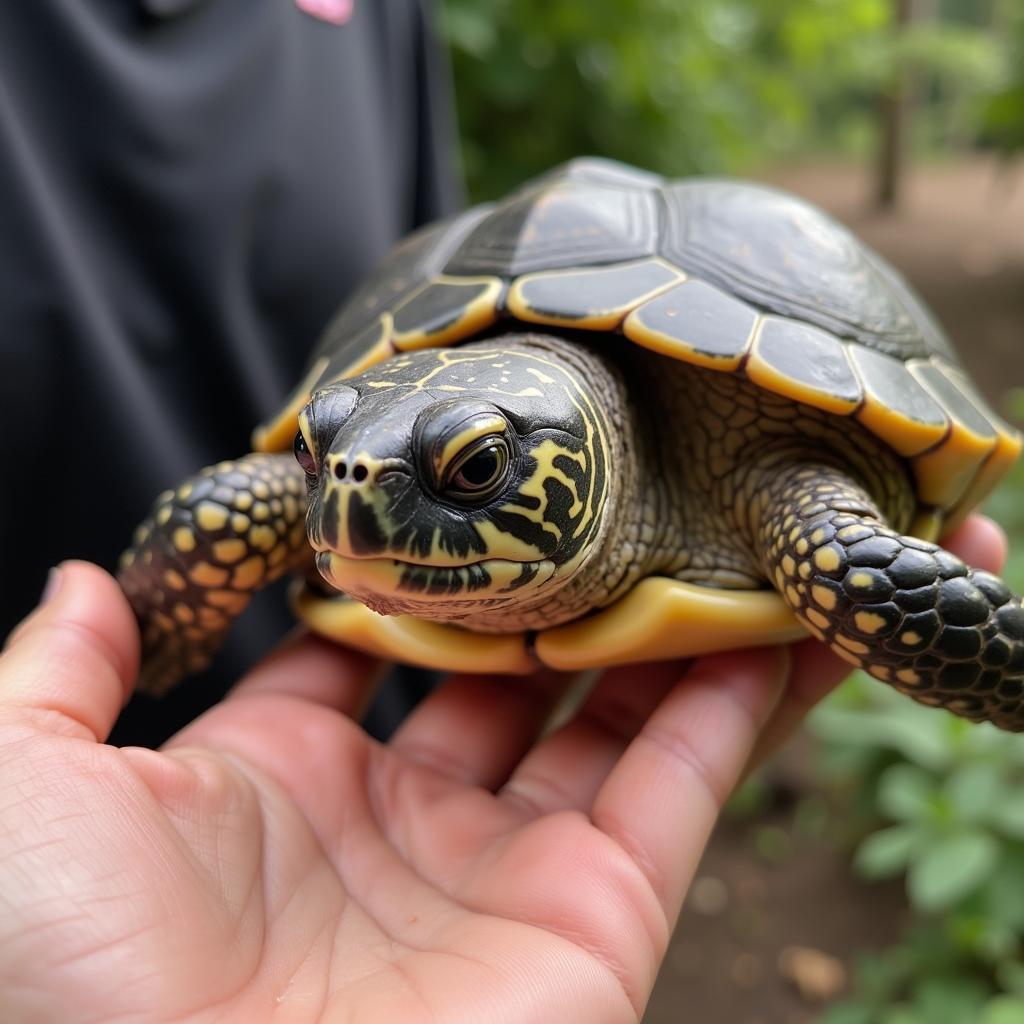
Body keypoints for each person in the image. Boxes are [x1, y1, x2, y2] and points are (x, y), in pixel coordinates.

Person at [0, 515, 1006, 1021]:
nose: (347, 501)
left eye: (472, 471)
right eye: (323, 456)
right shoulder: (349, 490)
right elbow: (293, 489)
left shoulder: (783, 503)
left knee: (856, 570)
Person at [0, 0, 461, 745]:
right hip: (71, 751)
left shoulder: (381, 18)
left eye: (474, 470)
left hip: (396, 755)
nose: (347, 479)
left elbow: (442, 327)